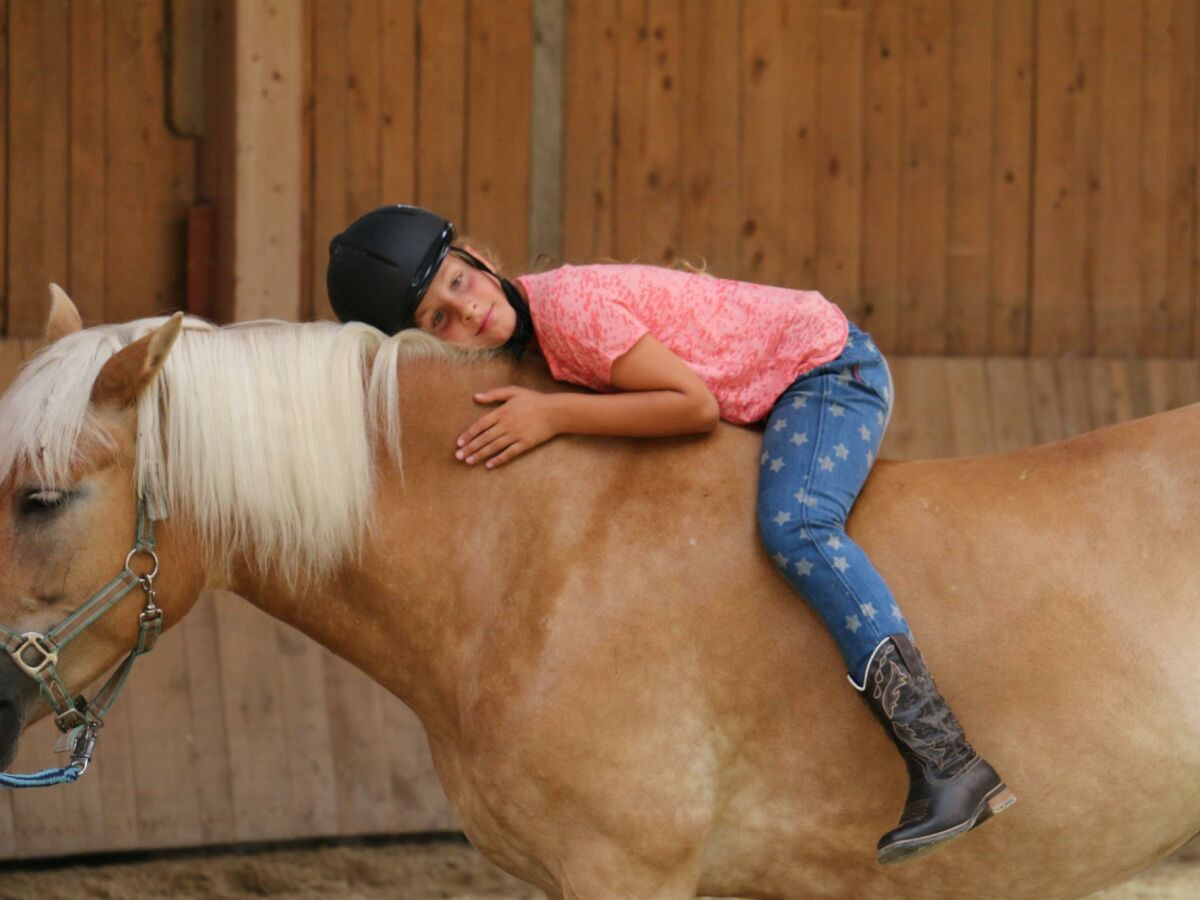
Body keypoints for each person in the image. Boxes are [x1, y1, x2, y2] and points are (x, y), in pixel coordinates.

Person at [326, 204, 1016, 865]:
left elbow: (691, 405)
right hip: (773, 384)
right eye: (439, 319)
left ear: (476, 255)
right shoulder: (533, 333)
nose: (468, 309)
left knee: (797, 527)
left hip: (826, 369)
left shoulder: (568, 311)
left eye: (458, 280)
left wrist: (554, 417)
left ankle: (947, 758)